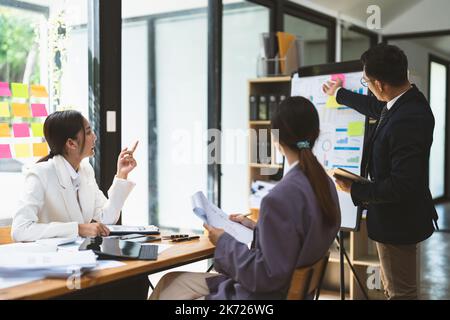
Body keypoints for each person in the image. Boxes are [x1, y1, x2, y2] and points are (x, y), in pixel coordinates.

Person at [149, 96, 341, 300]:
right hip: (286, 292)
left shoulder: (279, 198)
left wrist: (223, 241)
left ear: (276, 140)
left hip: (260, 298)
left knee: (168, 291)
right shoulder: (324, 185)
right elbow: (292, 244)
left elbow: (264, 275)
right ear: (316, 134)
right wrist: (257, 228)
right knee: (170, 282)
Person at [323, 44, 438, 300]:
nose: (368, 87)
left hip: (399, 222)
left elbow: (402, 186)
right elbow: (375, 108)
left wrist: (356, 188)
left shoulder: (409, 117)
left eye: (367, 81)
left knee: (401, 293)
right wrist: (339, 93)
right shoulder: (401, 101)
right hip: (392, 219)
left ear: (380, 84)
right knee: (394, 289)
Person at [11, 110, 137, 242]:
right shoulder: (40, 174)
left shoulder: (86, 170)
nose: (94, 137)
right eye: (88, 132)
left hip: (82, 255)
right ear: (71, 143)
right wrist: (77, 229)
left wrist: (122, 174)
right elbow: (20, 230)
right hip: (50, 258)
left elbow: (106, 218)